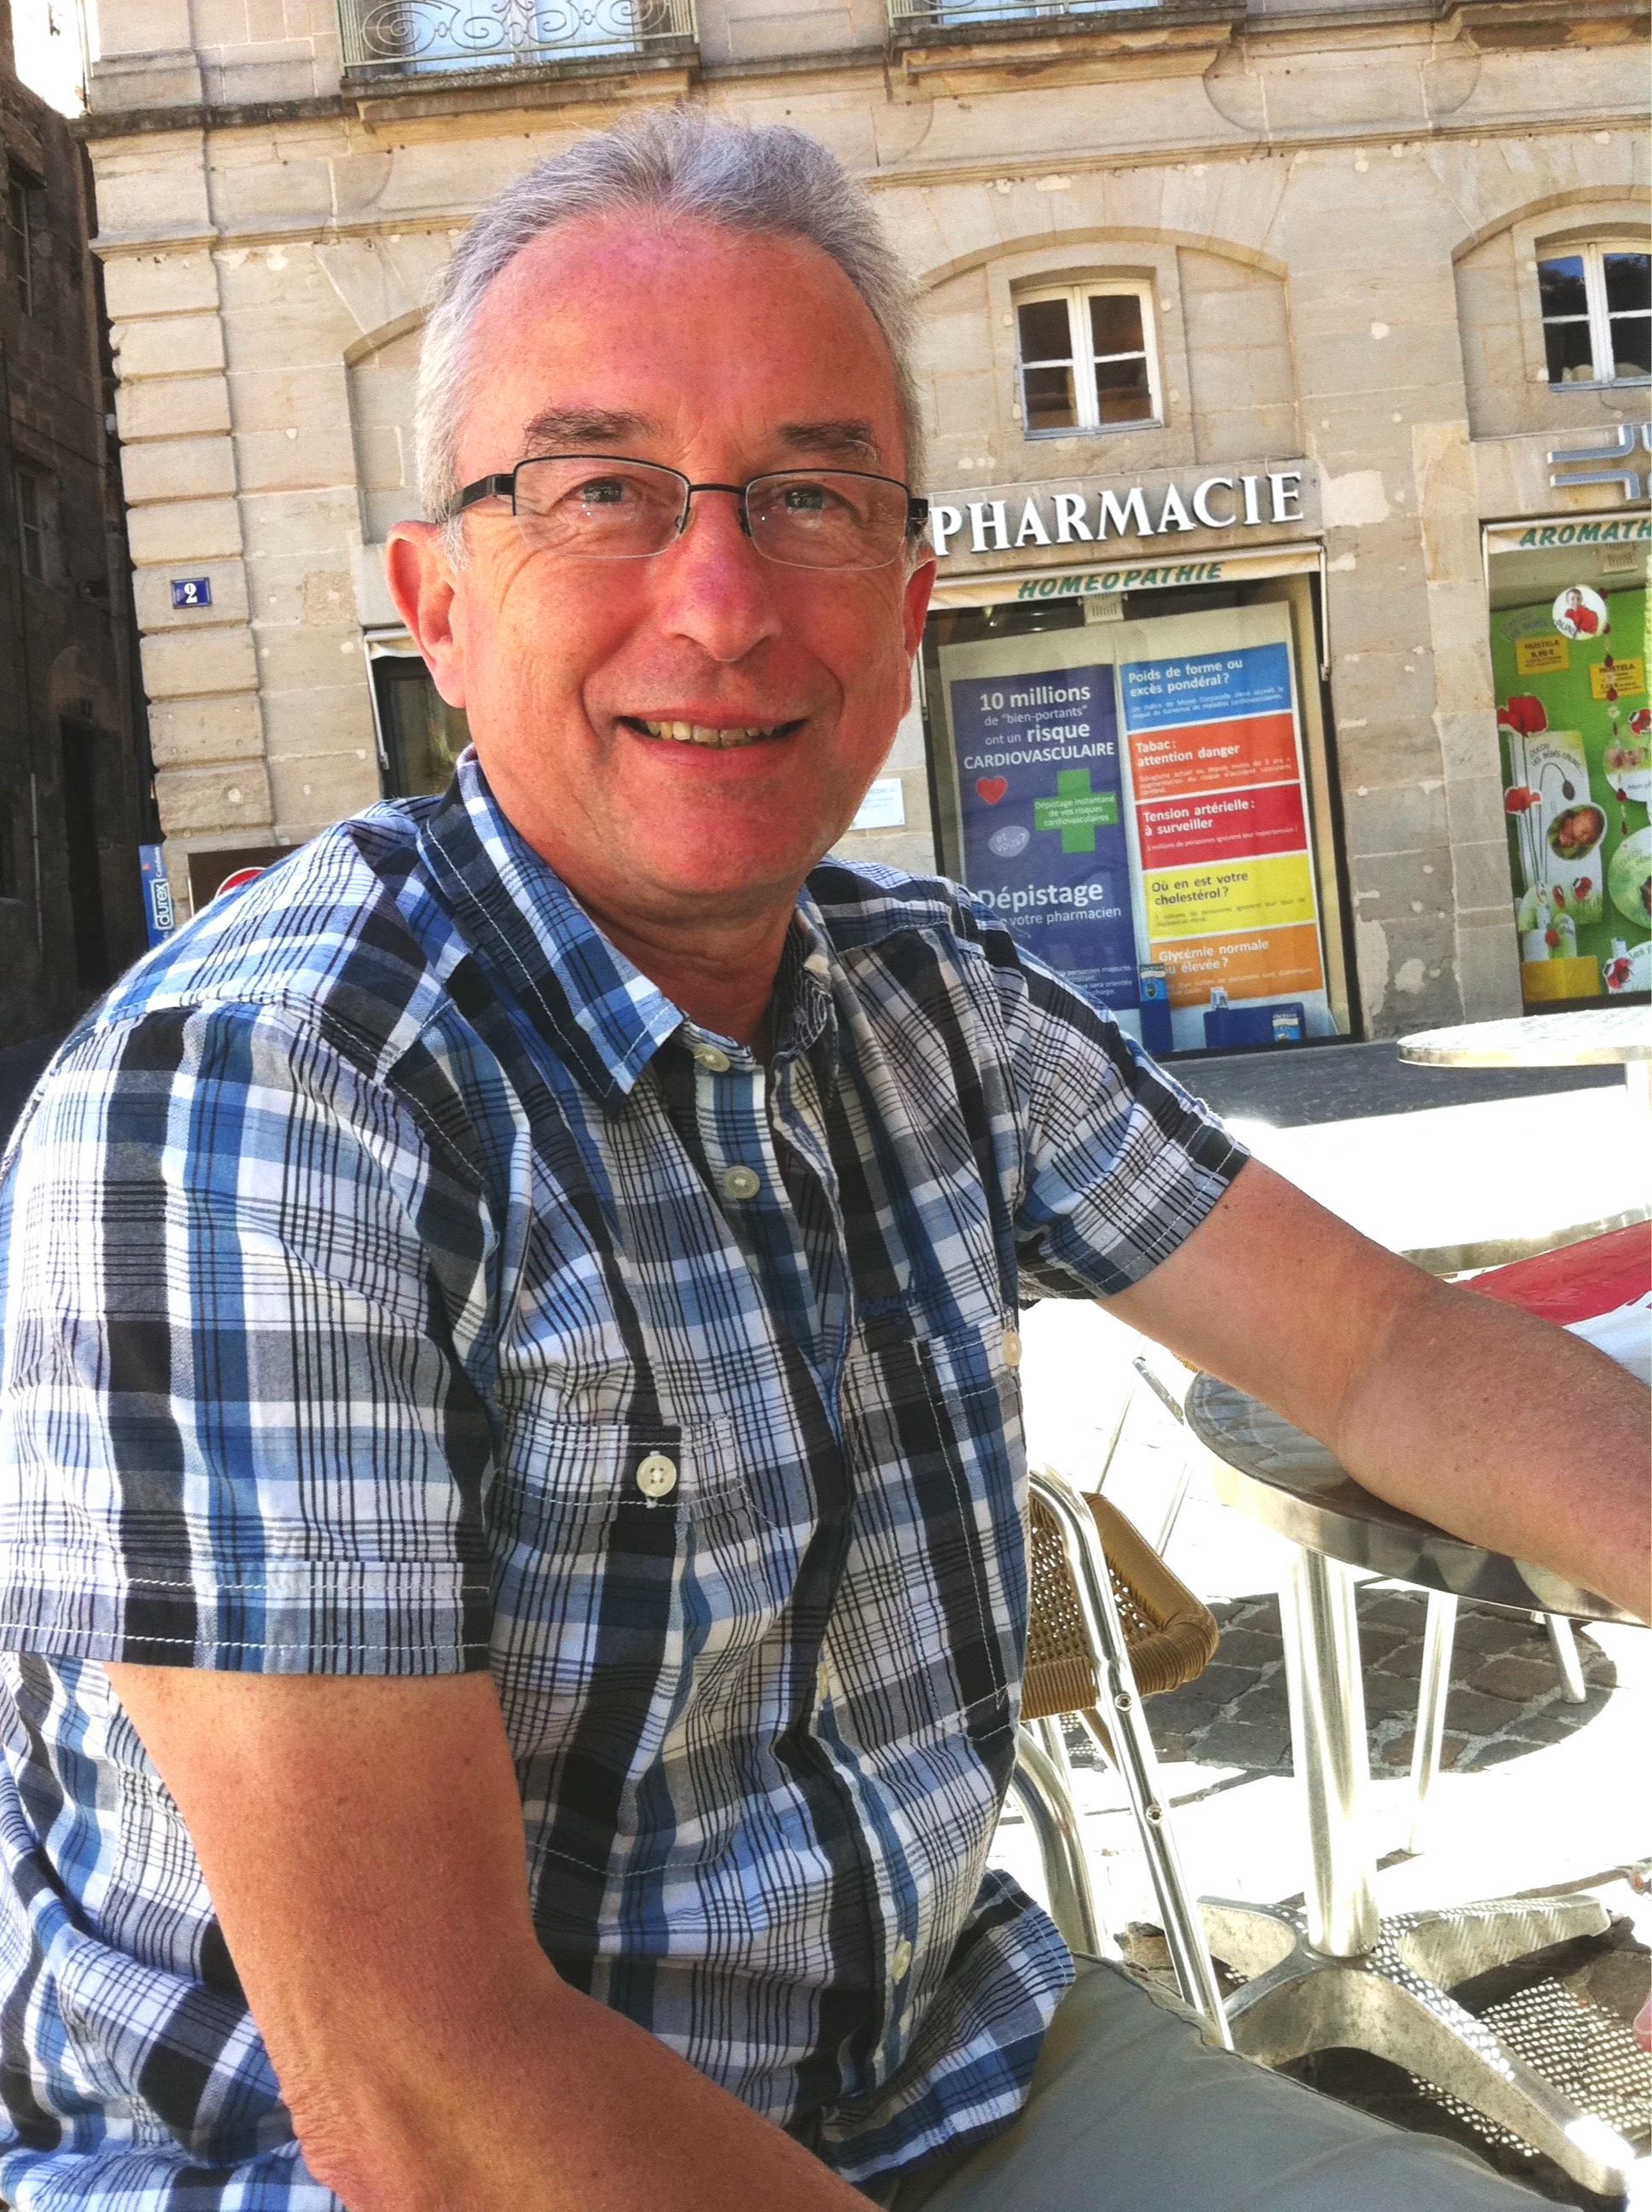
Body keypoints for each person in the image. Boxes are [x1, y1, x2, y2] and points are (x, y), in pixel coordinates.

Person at [0, 110, 1649, 2212]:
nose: (719, 598)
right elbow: (423, 2091)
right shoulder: (262, 1106)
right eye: (599, 492)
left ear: (910, 591)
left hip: (926, 2073)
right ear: (433, 598)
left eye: (807, 496)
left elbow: (1386, 1351)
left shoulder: (916, 994)